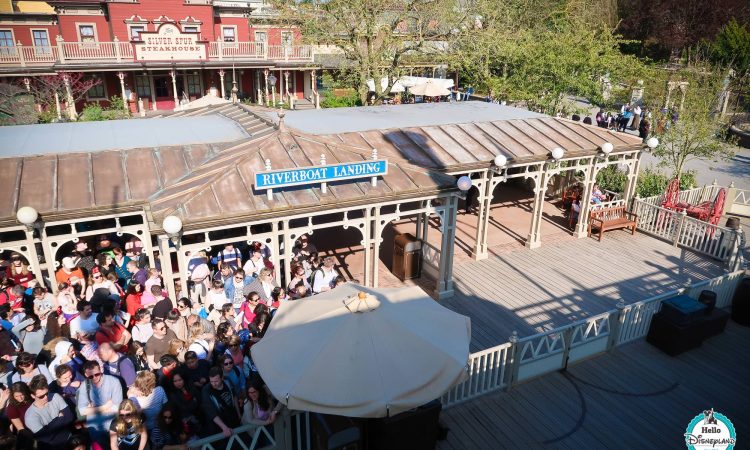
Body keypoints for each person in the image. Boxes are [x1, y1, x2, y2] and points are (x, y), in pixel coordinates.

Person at [77, 360, 124, 440]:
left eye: (97, 374)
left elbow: (117, 407)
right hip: (95, 428)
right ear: (85, 375)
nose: (94, 377)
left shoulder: (114, 382)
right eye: (91, 376)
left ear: (100, 370)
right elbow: (82, 411)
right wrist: (105, 407)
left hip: (112, 425)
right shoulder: (84, 386)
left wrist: (91, 409)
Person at [24, 374, 75, 446]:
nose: (46, 397)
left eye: (47, 393)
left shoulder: (55, 396)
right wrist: (60, 418)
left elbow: (69, 417)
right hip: (52, 446)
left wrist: (49, 428)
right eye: (41, 396)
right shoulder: (30, 416)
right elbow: (46, 437)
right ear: (32, 396)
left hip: (69, 438)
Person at [201, 366, 241, 438]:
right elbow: (211, 412)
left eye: (216, 381)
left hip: (233, 417)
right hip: (220, 424)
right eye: (211, 381)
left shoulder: (227, 381)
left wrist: (239, 414)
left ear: (222, 378)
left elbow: (234, 397)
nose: (213, 384)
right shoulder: (206, 391)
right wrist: (224, 427)